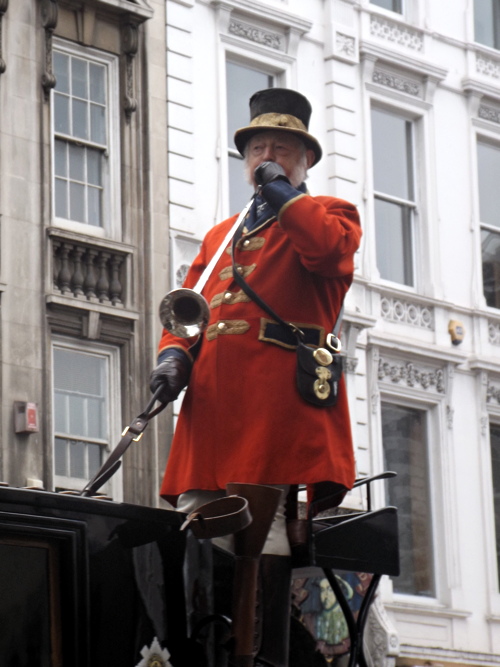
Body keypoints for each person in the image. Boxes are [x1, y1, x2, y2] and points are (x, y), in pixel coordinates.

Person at [150, 88, 362, 667]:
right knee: (198, 538)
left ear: (305, 160)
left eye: (282, 148)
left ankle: (263, 656)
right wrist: (173, 355)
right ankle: (198, 650)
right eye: (257, 148)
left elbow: (323, 250)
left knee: (264, 547)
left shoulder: (333, 216)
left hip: (276, 413)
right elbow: (189, 309)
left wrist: (282, 191)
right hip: (212, 414)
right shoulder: (221, 237)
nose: (266, 155)